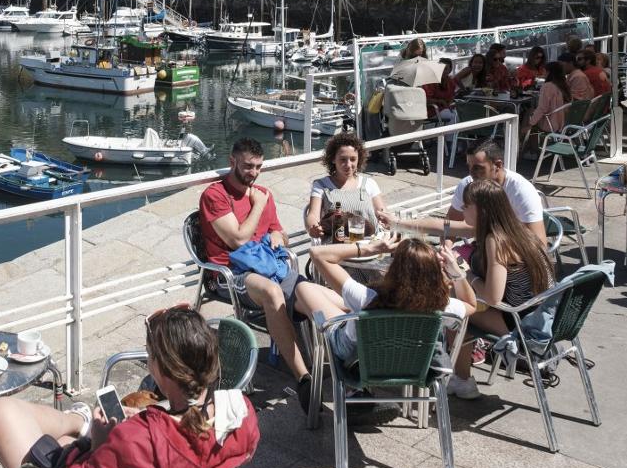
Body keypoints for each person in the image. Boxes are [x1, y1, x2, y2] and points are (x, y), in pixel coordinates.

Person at [0, 306, 259, 468]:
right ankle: (77, 423)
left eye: (150, 355)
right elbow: (187, 440)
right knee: (63, 442)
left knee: (2, 413)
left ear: (161, 370)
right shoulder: (242, 414)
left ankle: (78, 422)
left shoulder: (137, 442)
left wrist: (99, 447)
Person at [198, 139, 311, 400]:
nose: (254, 172)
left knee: (309, 291)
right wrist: (258, 204)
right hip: (227, 273)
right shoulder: (215, 195)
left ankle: (342, 364)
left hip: (266, 265)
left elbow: (280, 232)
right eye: (248, 166)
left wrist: (278, 238)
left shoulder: (261, 192)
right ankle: (304, 379)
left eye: (259, 166)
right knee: (273, 293)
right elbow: (237, 239)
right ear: (232, 161)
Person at [294, 235, 475, 391]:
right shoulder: (443, 307)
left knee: (303, 288)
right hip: (415, 364)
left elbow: (317, 254)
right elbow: (471, 305)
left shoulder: (367, 297)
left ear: (394, 269)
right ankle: (331, 310)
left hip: (356, 357)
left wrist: (369, 249)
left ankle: (317, 319)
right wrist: (456, 272)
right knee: (324, 299)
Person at [453, 179, 553, 398]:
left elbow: (493, 297)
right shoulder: (519, 230)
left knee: (458, 313)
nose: (462, 210)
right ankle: (460, 375)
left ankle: (462, 382)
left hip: (521, 323)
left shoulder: (496, 241)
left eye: (466, 206)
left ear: (483, 210)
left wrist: (464, 274)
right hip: (543, 315)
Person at [398, 139, 547, 245]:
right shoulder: (468, 184)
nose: (471, 174)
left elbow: (539, 243)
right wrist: (447, 250)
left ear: (498, 165)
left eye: (478, 168)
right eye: (469, 167)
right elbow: (449, 225)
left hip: (513, 255)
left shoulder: (521, 191)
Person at [304, 132, 389, 239]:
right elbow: (313, 215)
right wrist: (313, 227)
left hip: (369, 244)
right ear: (333, 159)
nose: (348, 165)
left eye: (353, 159)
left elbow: (382, 212)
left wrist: (388, 221)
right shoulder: (321, 185)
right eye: (343, 159)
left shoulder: (369, 183)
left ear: (359, 159)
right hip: (338, 247)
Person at [524, 61, 572, 140]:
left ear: (549, 72)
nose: (543, 73)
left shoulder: (548, 86)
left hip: (551, 123)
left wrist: (530, 124)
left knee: (528, 113)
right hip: (563, 122)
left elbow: (543, 108)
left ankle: (521, 141)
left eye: (544, 71)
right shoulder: (565, 85)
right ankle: (525, 142)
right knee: (531, 113)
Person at [423, 57, 458, 123]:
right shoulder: (431, 82)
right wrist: (439, 101)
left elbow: (451, 97)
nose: (442, 71)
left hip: (445, 108)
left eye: (445, 69)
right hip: (432, 110)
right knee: (454, 117)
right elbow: (425, 100)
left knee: (461, 113)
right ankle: (451, 133)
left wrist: (450, 104)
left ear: (450, 70)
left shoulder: (451, 82)